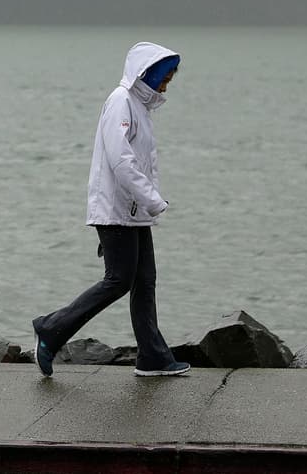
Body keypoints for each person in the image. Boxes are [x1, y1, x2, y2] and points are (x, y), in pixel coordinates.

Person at [31, 41, 191, 377]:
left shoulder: (139, 107)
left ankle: (153, 357)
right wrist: (153, 199)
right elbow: (121, 160)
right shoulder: (121, 102)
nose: (166, 86)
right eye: (165, 79)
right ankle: (52, 329)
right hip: (119, 210)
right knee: (118, 280)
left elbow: (141, 161)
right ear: (148, 74)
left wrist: (147, 203)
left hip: (132, 212)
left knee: (144, 281)